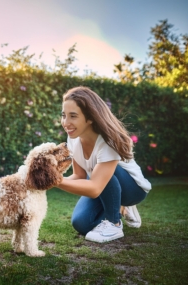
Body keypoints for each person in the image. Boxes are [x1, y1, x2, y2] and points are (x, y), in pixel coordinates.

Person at [56, 86, 151, 243]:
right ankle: (119, 207)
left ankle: (114, 222)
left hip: (133, 189)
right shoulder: (72, 139)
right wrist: (49, 182)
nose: (66, 123)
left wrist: (54, 180)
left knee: (99, 173)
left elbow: (94, 188)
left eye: (73, 116)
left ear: (90, 117)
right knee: (81, 223)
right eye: (63, 115)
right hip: (101, 183)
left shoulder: (108, 142)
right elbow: (79, 175)